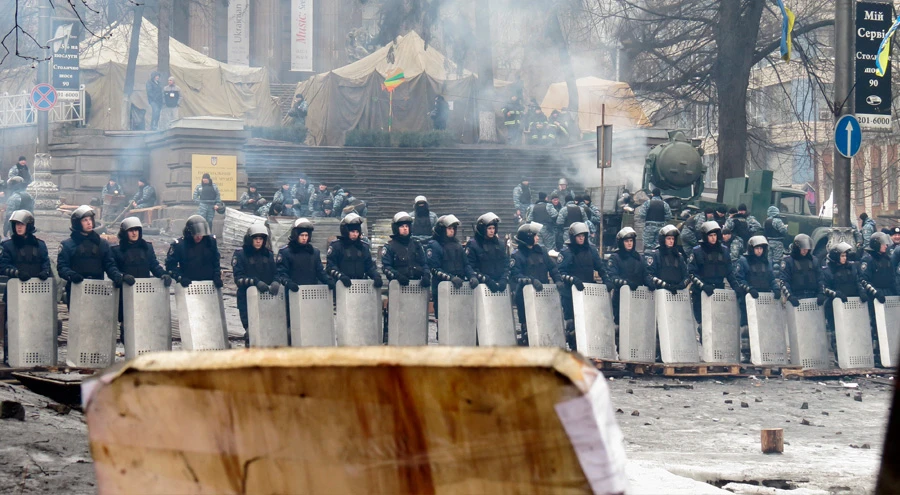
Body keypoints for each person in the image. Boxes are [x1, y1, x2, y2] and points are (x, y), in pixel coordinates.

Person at [0, 210, 51, 365]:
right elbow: (2, 266)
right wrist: (16, 273)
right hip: (15, 291)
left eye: (21, 224)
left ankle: (36, 353)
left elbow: (46, 262)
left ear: (29, 225)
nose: (18, 227)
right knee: (12, 324)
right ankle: (10, 355)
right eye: (16, 224)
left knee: (36, 322)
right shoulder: (7, 246)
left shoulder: (40, 245)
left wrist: (45, 272)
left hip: (37, 292)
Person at [111, 217, 171, 343]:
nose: (134, 233)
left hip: (144, 291)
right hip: (126, 292)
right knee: (127, 324)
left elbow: (154, 265)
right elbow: (113, 270)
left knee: (144, 321)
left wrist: (163, 274)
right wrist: (122, 277)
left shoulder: (147, 248)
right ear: (124, 233)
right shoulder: (117, 250)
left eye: (136, 230)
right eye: (131, 230)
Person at [57, 206, 124, 306]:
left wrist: (117, 276)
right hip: (76, 287)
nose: (89, 223)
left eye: (90, 219)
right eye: (85, 220)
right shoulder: (67, 244)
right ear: (77, 223)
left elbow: (109, 265)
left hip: (97, 288)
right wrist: (71, 275)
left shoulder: (102, 243)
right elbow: (62, 267)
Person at [510, 222, 564, 346]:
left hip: (543, 293)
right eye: (535, 235)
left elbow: (552, 267)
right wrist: (531, 281)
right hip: (525, 296)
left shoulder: (541, 251)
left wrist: (558, 280)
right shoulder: (517, 255)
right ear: (528, 237)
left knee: (545, 321)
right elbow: (516, 274)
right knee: (527, 323)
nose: (537, 238)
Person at [558, 222, 609, 349]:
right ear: (573, 236)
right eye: (578, 236)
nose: (581, 238)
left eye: (583, 236)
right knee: (572, 323)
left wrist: (607, 279)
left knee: (588, 321)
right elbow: (560, 273)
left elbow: (600, 267)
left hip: (587, 292)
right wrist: (572, 280)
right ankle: (574, 347)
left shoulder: (591, 250)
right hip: (570, 293)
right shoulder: (567, 252)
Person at [232, 224, 280, 345]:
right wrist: (254, 282)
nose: (258, 241)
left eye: (261, 239)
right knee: (251, 331)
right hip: (246, 298)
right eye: (255, 239)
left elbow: (276, 272)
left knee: (268, 330)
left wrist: (276, 281)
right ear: (250, 239)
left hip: (266, 298)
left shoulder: (268, 254)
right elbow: (238, 279)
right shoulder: (240, 254)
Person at [689, 221, 740, 327]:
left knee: (717, 323)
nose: (713, 238)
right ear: (705, 236)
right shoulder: (697, 251)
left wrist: (736, 286)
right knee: (703, 324)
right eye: (710, 235)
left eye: (715, 235)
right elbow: (691, 273)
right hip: (701, 292)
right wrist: (703, 286)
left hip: (718, 290)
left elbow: (729, 271)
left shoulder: (724, 251)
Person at [426, 215, 477, 322]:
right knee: (442, 316)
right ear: (442, 229)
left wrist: (472, 276)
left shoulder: (458, 245)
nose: (452, 231)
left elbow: (466, 264)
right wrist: (450, 278)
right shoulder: (434, 245)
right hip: (442, 287)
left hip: (459, 285)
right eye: (449, 228)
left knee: (459, 317)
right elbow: (434, 269)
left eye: (453, 228)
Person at [821, 242, 866, 359]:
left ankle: (854, 355)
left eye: (845, 256)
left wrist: (861, 292)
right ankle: (838, 356)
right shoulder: (828, 270)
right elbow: (824, 288)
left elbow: (857, 281)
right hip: (834, 306)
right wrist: (836, 294)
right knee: (836, 332)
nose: (844, 258)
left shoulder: (851, 268)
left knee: (853, 330)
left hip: (851, 305)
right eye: (842, 256)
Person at [276, 218, 334, 293]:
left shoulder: (314, 252)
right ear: (296, 235)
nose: (304, 238)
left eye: (306, 235)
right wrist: (288, 282)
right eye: (301, 235)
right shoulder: (286, 252)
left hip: (311, 292)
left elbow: (320, 271)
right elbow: (281, 273)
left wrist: (328, 280)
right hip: (293, 292)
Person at [165, 215, 223, 289]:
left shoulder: (210, 242)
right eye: (196, 234)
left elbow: (215, 260)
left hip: (209, 283)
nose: (199, 237)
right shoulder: (179, 245)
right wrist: (180, 277)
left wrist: (217, 275)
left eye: (201, 234)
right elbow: (170, 266)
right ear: (189, 232)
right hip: (188, 284)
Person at [326, 213, 382, 288]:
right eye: (352, 231)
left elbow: (369, 266)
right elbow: (330, 266)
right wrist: (340, 276)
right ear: (346, 231)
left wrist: (376, 276)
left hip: (361, 286)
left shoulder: (363, 247)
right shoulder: (336, 246)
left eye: (357, 232)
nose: (355, 234)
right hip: (342, 286)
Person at [735, 236, 780, 328]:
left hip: (764, 297)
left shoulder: (766, 262)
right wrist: (749, 289)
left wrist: (776, 289)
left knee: (764, 325)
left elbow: (771, 278)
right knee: (746, 326)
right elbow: (739, 279)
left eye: (761, 248)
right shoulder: (744, 261)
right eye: (757, 248)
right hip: (749, 297)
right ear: (752, 249)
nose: (759, 251)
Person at [607, 227, 644, 326]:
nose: (629, 243)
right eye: (626, 241)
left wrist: (651, 284)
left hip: (637, 296)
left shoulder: (638, 257)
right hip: (621, 297)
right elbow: (612, 276)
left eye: (631, 241)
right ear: (621, 242)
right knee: (620, 326)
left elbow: (645, 274)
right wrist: (626, 283)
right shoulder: (615, 257)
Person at [382, 212, 429, 288]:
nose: (405, 228)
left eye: (407, 226)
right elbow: (386, 267)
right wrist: (397, 276)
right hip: (398, 286)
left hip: (417, 286)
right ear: (396, 228)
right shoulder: (389, 246)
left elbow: (424, 264)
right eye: (402, 226)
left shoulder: (417, 244)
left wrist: (426, 275)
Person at [466, 212, 509, 293]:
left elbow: (506, 263)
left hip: (499, 286)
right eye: (489, 228)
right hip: (481, 287)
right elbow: (470, 266)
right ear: (483, 229)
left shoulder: (500, 244)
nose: (492, 231)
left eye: (493, 228)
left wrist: (504, 279)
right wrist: (486, 280)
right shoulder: (473, 244)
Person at [778, 234, 823, 309]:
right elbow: (783, 281)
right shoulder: (788, 261)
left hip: (813, 297)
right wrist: (790, 296)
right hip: (796, 298)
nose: (805, 250)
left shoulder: (813, 260)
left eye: (807, 248)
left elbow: (820, 278)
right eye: (803, 248)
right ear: (797, 247)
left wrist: (821, 293)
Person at [645, 225, 690, 293]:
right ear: (663, 239)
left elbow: (686, 275)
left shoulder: (679, 256)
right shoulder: (656, 255)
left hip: (678, 293)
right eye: (668, 238)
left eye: (673, 239)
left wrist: (679, 286)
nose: (671, 241)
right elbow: (649, 274)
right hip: (660, 293)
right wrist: (666, 285)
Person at [764, 206, 788, 276]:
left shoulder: (766, 221)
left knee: (769, 260)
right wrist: (786, 227)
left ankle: (769, 274)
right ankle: (775, 276)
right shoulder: (778, 221)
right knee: (777, 261)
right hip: (777, 242)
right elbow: (783, 230)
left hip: (769, 241)